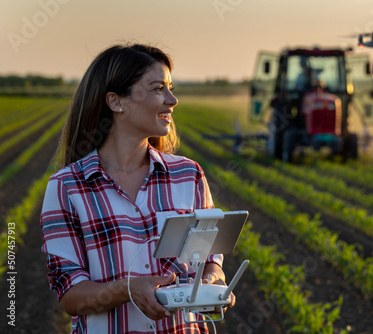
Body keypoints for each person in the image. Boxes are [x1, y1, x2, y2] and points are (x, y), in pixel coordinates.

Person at [40, 43, 235, 333]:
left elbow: (208, 263)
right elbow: (71, 296)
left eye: (170, 87)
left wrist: (211, 284)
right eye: (158, 89)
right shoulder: (67, 187)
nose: (172, 100)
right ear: (116, 102)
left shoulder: (188, 175)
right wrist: (128, 289)